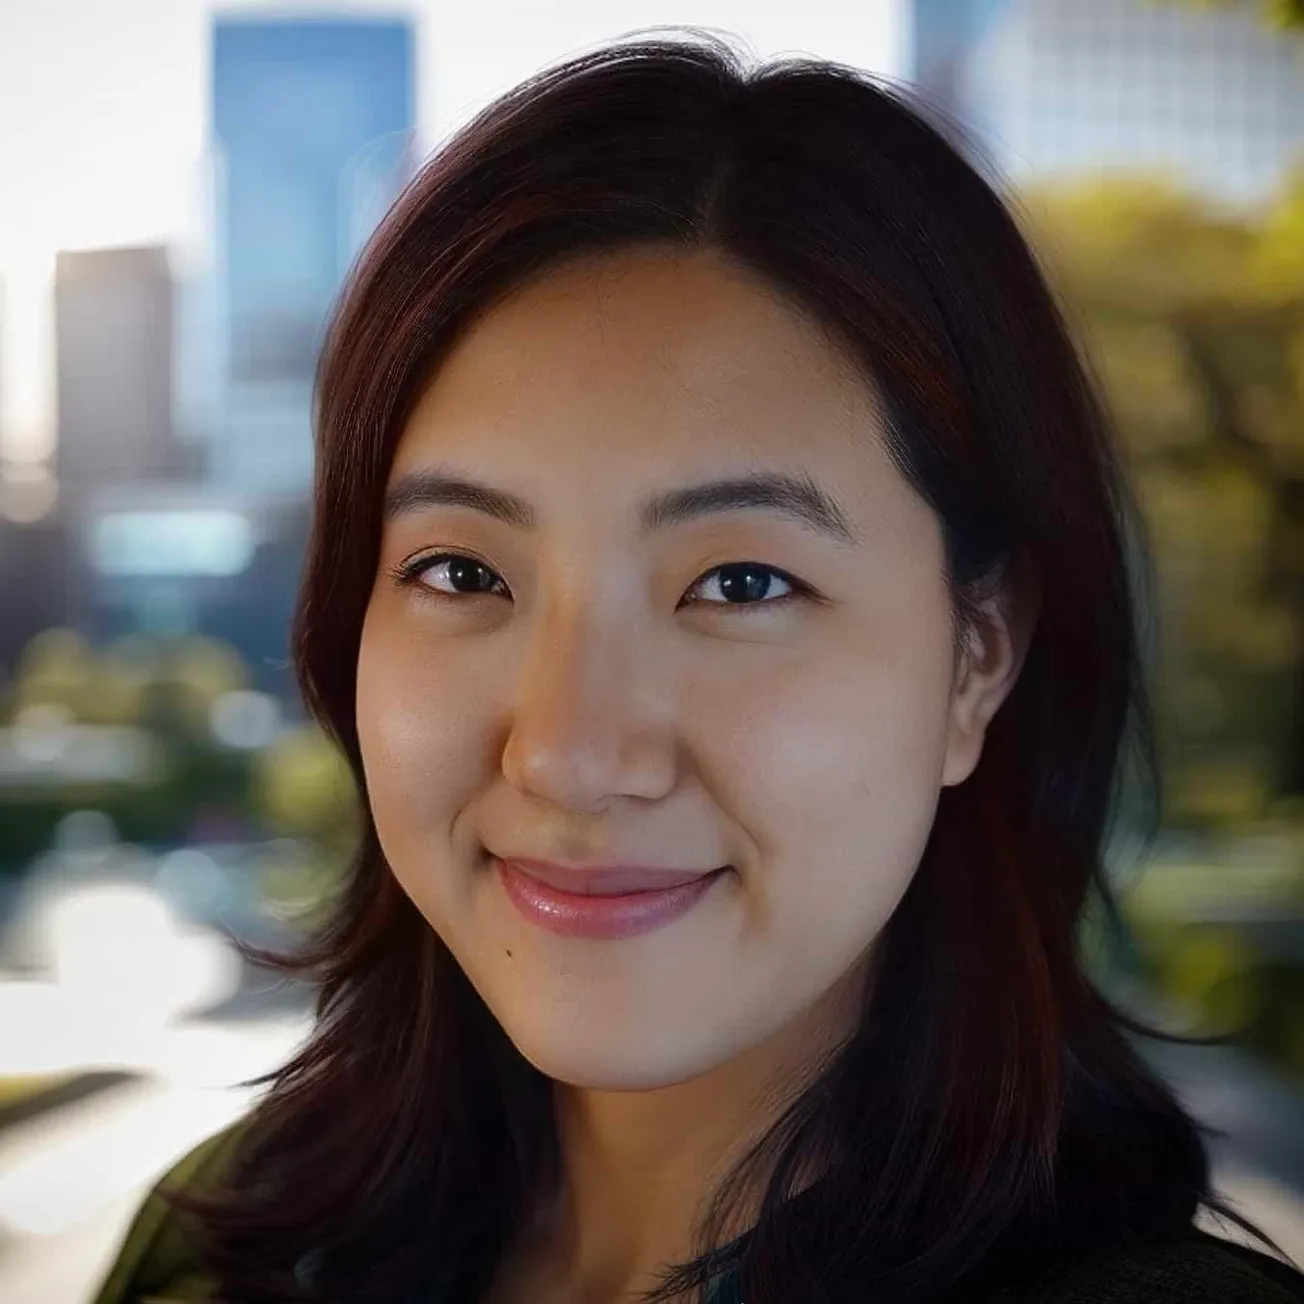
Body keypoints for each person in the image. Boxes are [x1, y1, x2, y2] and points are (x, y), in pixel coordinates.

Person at [91, 32, 1304, 1304]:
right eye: (461, 571)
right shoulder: (221, 1244)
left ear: (977, 655)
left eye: (739, 584)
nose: (566, 747)